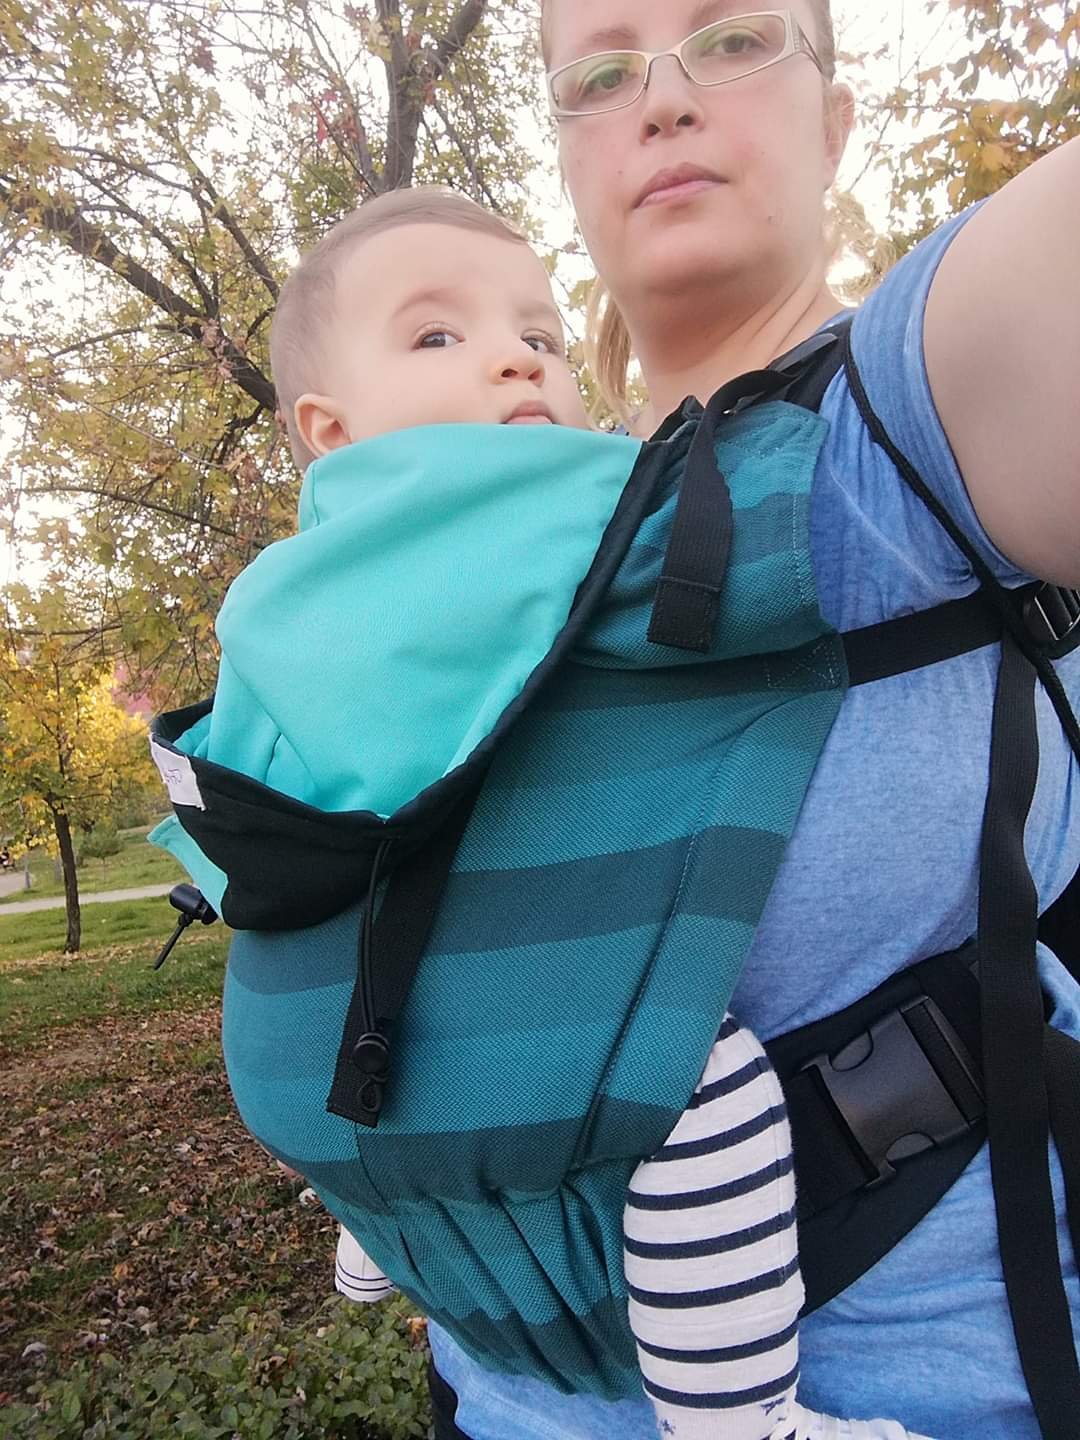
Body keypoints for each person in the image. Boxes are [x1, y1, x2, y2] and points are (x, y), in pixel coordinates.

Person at [151, 185, 923, 1440]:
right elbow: (702, 524)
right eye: (436, 334)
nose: (518, 358)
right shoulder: (538, 499)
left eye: (541, 335)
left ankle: (372, 1243)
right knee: (695, 1086)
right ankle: (736, 1415)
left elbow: (239, 805)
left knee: (374, 1054)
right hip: (494, 1023)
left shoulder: (271, 602)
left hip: (293, 1052)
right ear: (331, 431)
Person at [417, 4, 1080, 1439]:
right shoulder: (505, 540)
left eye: (730, 41)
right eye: (602, 74)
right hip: (494, 1400)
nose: (662, 101)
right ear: (568, 161)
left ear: (834, 123)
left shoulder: (913, 418)